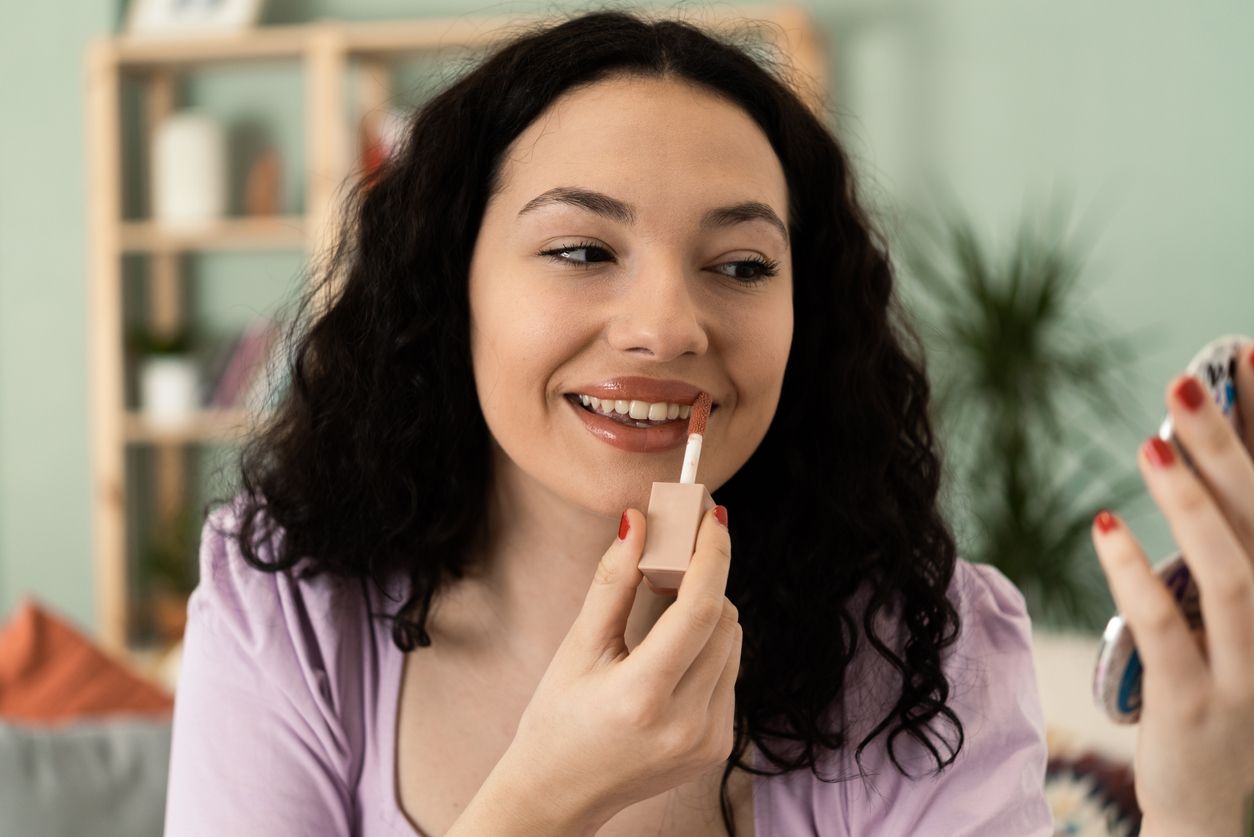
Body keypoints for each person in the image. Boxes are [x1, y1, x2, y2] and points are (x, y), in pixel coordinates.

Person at [162, 9, 1254, 837]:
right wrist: (541, 805)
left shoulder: (931, 653)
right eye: (583, 250)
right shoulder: (289, 614)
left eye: (740, 265)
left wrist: (1199, 806)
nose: (667, 327)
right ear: (451, 290)